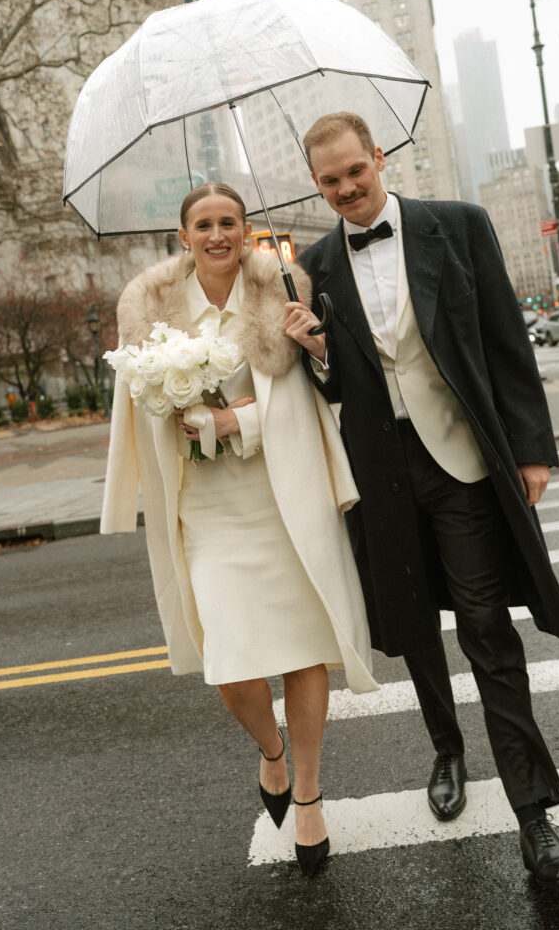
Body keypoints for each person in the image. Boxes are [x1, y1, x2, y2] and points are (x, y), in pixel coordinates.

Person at [283, 112, 559, 886]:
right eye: (329, 181)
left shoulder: (457, 226)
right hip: (379, 472)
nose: (346, 188)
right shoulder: (313, 265)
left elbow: (502, 339)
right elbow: (341, 388)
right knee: (415, 626)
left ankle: (534, 817)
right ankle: (445, 750)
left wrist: (528, 448)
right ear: (316, 186)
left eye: (355, 170)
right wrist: (316, 351)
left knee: (486, 627)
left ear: (377, 158)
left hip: (460, 460)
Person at [101, 181, 377, 878]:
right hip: (208, 510)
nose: (217, 235)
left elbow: (305, 397)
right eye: (204, 224)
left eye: (229, 222)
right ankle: (271, 754)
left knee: (303, 650)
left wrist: (239, 416)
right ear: (183, 236)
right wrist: (181, 415)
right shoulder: (149, 311)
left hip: (282, 495)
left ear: (245, 230)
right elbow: (136, 409)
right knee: (232, 666)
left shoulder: (277, 293)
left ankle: (309, 795)